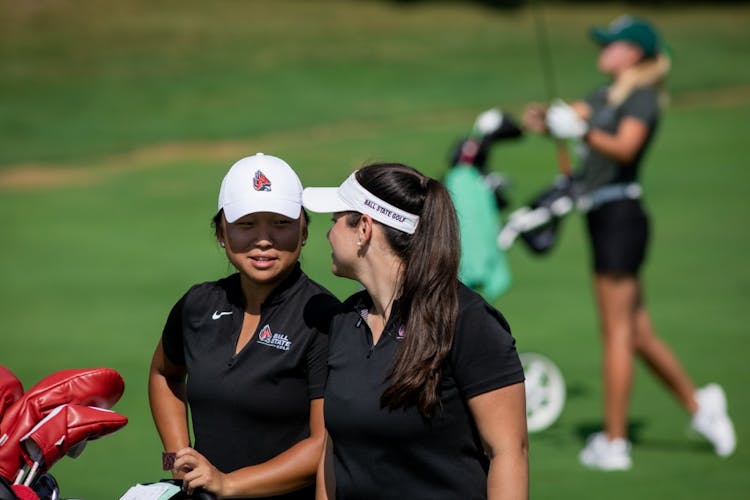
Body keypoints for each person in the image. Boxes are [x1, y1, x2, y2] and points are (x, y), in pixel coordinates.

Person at [522, 15, 736, 470]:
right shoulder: (607, 94)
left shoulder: (642, 97)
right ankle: (702, 407)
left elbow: (624, 148)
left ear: (633, 53)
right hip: (603, 217)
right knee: (636, 332)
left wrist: (577, 130)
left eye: (611, 44)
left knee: (615, 333)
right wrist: (545, 118)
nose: (602, 49)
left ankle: (614, 444)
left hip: (621, 216)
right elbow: (567, 116)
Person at [302, 163, 528, 499]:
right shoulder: (343, 321)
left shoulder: (468, 321)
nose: (328, 233)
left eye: (335, 220)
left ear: (364, 228)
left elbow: (509, 453)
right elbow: (333, 453)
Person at [148, 153, 341, 498]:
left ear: (304, 229)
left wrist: (228, 484)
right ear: (221, 233)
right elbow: (165, 374)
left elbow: (324, 443)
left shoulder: (324, 317)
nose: (263, 239)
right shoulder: (197, 305)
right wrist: (179, 459)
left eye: (280, 223)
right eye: (246, 224)